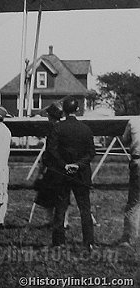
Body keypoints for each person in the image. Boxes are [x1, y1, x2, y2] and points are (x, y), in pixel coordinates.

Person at [47, 97, 96, 249]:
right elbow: (91, 153)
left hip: (62, 174)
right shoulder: (86, 129)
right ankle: (88, 243)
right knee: (85, 209)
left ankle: (58, 242)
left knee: (60, 208)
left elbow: (52, 150)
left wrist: (65, 165)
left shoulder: (57, 128)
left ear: (64, 111)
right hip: (81, 174)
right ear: (77, 110)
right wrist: (78, 165)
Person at [31, 103, 64, 224]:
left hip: (53, 167)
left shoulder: (52, 130)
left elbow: (49, 151)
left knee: (48, 195)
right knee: (62, 196)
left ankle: (52, 220)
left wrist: (41, 169)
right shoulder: (63, 128)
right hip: (63, 167)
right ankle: (63, 221)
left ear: (51, 116)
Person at [118, 114, 140, 248]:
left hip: (137, 162)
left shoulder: (133, 121)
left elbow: (125, 139)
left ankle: (128, 238)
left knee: (133, 202)